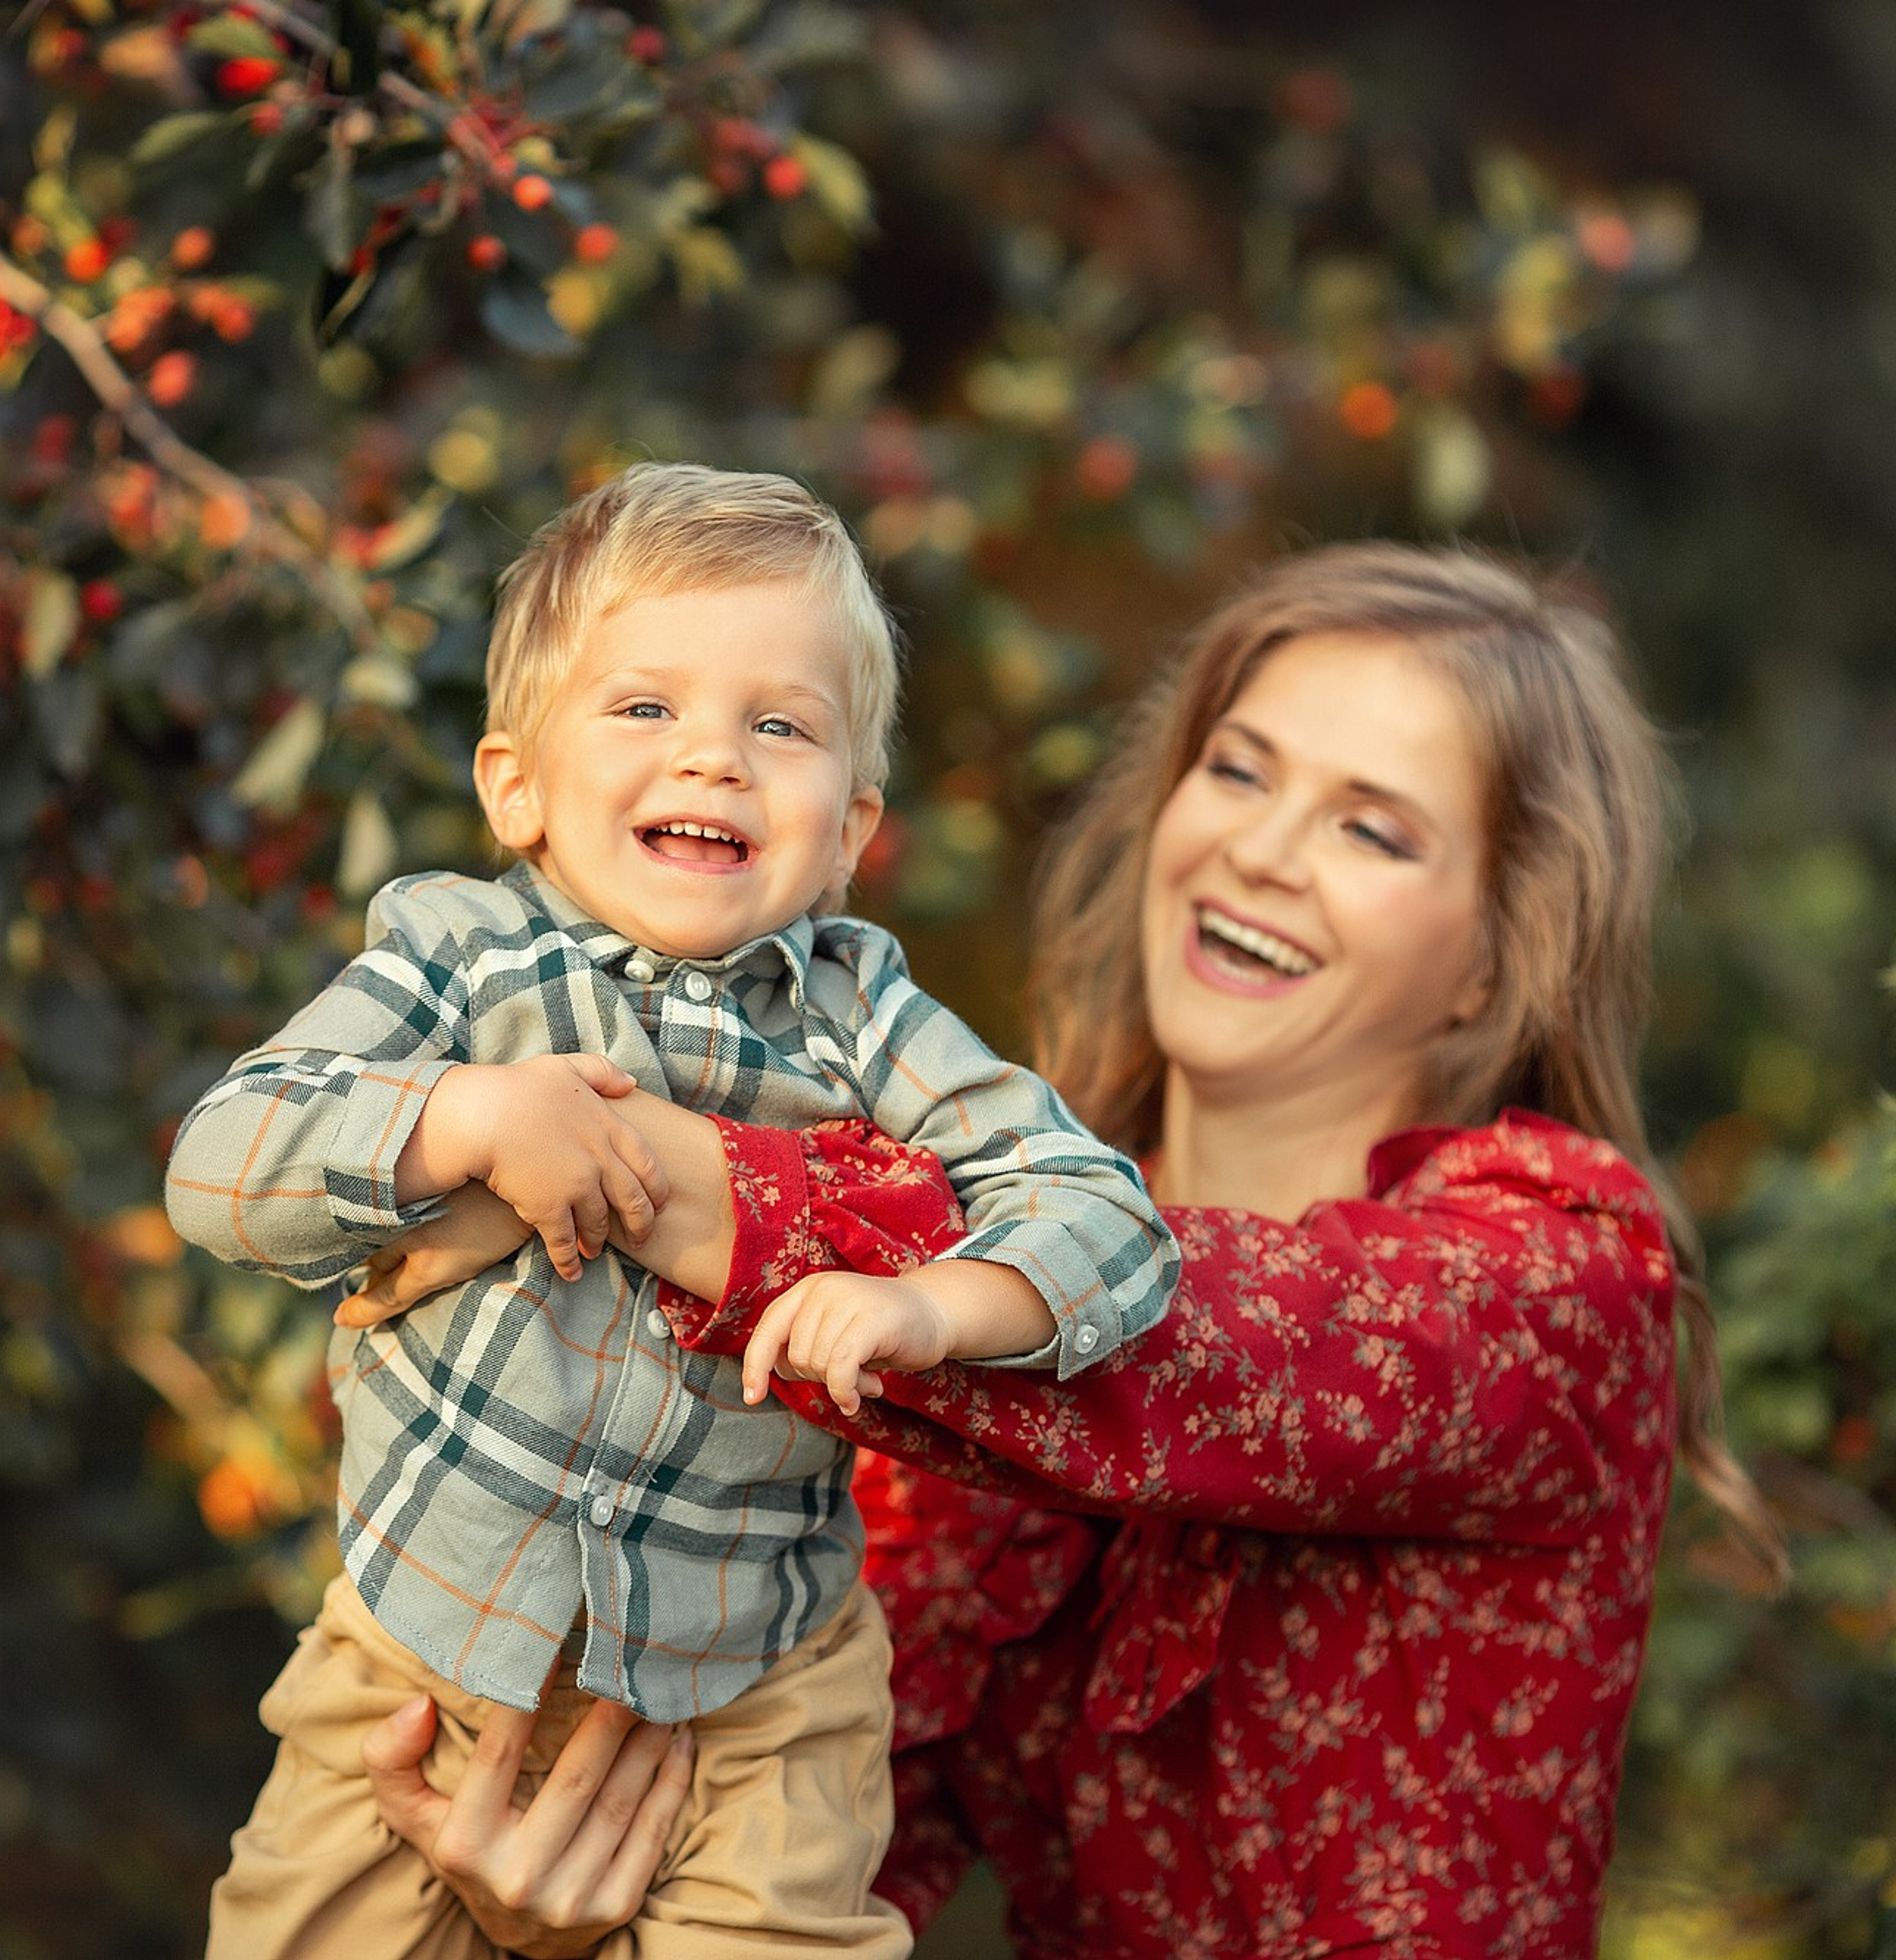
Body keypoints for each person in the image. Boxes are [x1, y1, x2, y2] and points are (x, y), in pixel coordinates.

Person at [342, 540, 1785, 1958]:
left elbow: (1202, 1340)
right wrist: (565, 1911)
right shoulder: (946, 1327)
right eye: (1240, 769)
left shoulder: (1568, 1270)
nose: (1261, 851)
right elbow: (813, 1843)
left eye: (1372, 828)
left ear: (1491, 952)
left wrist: (653, 1168)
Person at [165, 461, 1179, 1960]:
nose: (712, 757)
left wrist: (928, 1304)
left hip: (755, 1693)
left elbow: (1103, 1215)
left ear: (846, 825)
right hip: (424, 1642)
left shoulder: (860, 1015)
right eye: (643, 708)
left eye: (779, 725)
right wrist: (464, 1112)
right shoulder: (459, 959)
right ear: (516, 783)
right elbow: (221, 1158)